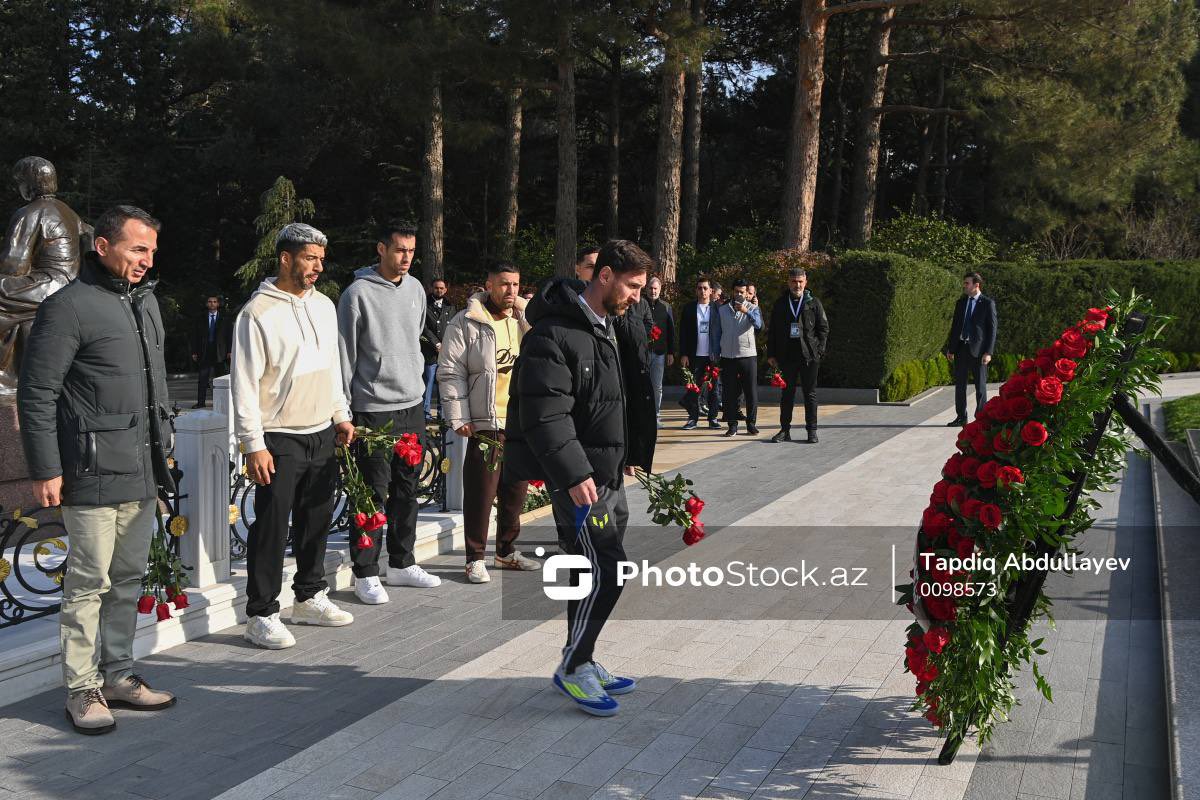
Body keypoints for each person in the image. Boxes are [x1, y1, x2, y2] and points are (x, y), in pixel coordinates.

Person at [18, 205, 177, 734]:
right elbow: (37, 392)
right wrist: (45, 468)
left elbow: (155, 388)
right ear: (103, 247)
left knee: (128, 580)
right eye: (137, 249)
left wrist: (163, 454)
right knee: (88, 582)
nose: (146, 260)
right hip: (88, 471)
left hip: (140, 468)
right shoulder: (67, 307)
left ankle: (118, 676)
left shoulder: (146, 303)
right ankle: (82, 689)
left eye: (151, 250)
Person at [504, 239, 649, 717]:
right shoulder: (553, 335)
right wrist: (574, 474)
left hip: (607, 476)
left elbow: (613, 401)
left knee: (593, 569)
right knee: (606, 568)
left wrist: (627, 455)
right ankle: (574, 665)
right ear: (603, 275)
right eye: (631, 286)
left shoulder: (608, 326)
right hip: (581, 483)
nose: (637, 296)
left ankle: (581, 657)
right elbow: (546, 414)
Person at [232, 222, 357, 648]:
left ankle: (308, 597)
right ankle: (261, 613)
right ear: (285, 258)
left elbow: (332, 367)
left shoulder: (324, 305)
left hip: (322, 430)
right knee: (270, 526)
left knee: (316, 522)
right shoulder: (256, 313)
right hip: (278, 437)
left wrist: (340, 414)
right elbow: (244, 384)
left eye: (321, 259)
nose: (318, 267)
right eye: (310, 258)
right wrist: (254, 443)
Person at [337, 221, 442, 602]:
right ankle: (365, 571)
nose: (405, 259)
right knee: (371, 494)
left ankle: (400, 563)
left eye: (411, 252)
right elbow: (345, 355)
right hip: (372, 409)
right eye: (399, 250)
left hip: (411, 405)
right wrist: (343, 413)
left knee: (406, 489)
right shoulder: (356, 294)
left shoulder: (416, 289)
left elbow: (414, 339)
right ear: (381, 249)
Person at [438, 260, 538, 583]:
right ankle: (474, 557)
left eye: (515, 285)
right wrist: (459, 416)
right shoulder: (466, 323)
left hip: (519, 421)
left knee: (515, 492)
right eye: (504, 284)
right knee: (482, 493)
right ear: (489, 284)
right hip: (487, 422)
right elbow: (451, 372)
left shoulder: (526, 320)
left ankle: (506, 552)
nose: (511, 291)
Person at [0, 157, 91, 395]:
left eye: (20, 182)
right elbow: (89, 238)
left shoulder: (28, 212)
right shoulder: (68, 211)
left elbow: (14, 265)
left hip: (47, 284)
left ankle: (5, 378)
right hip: (71, 283)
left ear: (29, 183)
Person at [767, 268, 829, 443]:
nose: (797, 285)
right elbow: (773, 331)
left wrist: (819, 350)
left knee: (810, 394)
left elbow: (823, 328)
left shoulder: (813, 302)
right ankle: (784, 431)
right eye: (794, 281)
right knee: (787, 395)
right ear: (788, 282)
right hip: (786, 356)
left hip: (808, 356)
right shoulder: (780, 303)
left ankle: (812, 431)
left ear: (805, 282)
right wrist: (771, 353)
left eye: (800, 281)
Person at [710, 279, 763, 437]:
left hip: (748, 355)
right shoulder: (723, 309)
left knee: (750, 392)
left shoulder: (753, 308)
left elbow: (759, 325)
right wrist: (715, 352)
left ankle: (751, 424)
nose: (739, 294)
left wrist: (747, 311)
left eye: (742, 292)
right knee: (729, 392)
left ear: (747, 293)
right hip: (728, 355)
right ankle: (732, 425)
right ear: (732, 291)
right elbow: (717, 332)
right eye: (737, 291)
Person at [944, 272, 997, 427]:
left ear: (976, 285)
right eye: (965, 283)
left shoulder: (987, 303)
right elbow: (955, 327)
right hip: (961, 349)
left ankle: (981, 418)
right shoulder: (960, 303)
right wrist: (951, 348)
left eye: (967, 283)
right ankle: (961, 417)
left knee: (980, 387)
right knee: (960, 386)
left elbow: (992, 330)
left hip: (979, 352)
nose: (964, 286)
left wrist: (989, 352)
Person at [678, 277, 722, 430]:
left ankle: (713, 418)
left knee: (714, 389)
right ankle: (692, 418)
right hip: (694, 355)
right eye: (699, 288)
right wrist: (683, 354)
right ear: (696, 290)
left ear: (711, 291)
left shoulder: (718, 308)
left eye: (705, 288)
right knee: (692, 388)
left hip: (713, 356)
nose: (702, 291)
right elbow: (683, 333)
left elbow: (723, 332)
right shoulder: (689, 308)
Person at [421, 278, 455, 420]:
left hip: (446, 352)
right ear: (431, 288)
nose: (439, 290)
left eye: (442, 288)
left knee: (443, 383)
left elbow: (453, 327)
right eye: (436, 288)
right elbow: (423, 327)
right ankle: (426, 413)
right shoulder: (425, 305)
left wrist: (447, 345)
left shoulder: (450, 306)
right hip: (430, 351)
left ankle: (442, 414)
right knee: (428, 383)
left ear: (445, 289)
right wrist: (436, 343)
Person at [190, 294, 231, 408]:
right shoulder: (200, 318)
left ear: (218, 304)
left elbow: (229, 336)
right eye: (209, 301)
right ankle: (200, 403)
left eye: (214, 301)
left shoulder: (225, 319)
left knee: (220, 379)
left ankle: (222, 403)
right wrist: (194, 351)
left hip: (220, 352)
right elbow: (195, 336)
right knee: (203, 378)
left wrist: (230, 351)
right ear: (207, 304)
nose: (212, 303)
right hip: (204, 351)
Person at [645, 276, 675, 427]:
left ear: (660, 290)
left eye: (656, 288)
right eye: (650, 288)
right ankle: (643, 416)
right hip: (642, 353)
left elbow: (671, 331)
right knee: (642, 385)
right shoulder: (639, 304)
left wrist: (671, 352)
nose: (653, 291)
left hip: (660, 352)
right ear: (646, 288)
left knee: (657, 387)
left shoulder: (666, 307)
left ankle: (655, 416)